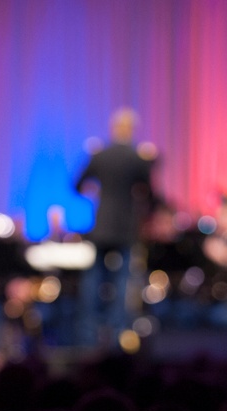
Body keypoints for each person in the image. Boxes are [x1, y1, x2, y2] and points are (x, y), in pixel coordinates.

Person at [74, 108, 156, 350]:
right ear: (130, 129)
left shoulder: (100, 155)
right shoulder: (137, 157)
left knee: (93, 279)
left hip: (101, 225)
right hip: (126, 226)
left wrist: (96, 193)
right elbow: (149, 193)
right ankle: (119, 331)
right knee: (123, 279)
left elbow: (76, 184)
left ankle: (89, 332)